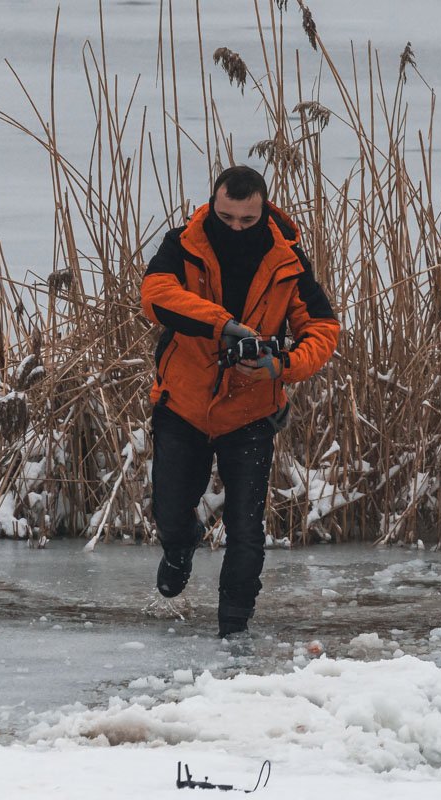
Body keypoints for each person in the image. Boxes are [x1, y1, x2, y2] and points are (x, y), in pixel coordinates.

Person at [139, 165, 340, 637]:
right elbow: (155, 295)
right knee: (169, 511)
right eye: (226, 217)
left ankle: (234, 631)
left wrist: (281, 365)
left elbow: (322, 328)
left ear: (264, 210)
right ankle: (180, 545)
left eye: (247, 220)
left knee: (246, 529)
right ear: (213, 204)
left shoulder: (288, 261)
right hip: (183, 403)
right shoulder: (182, 245)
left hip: (252, 409)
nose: (235, 228)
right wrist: (225, 326)